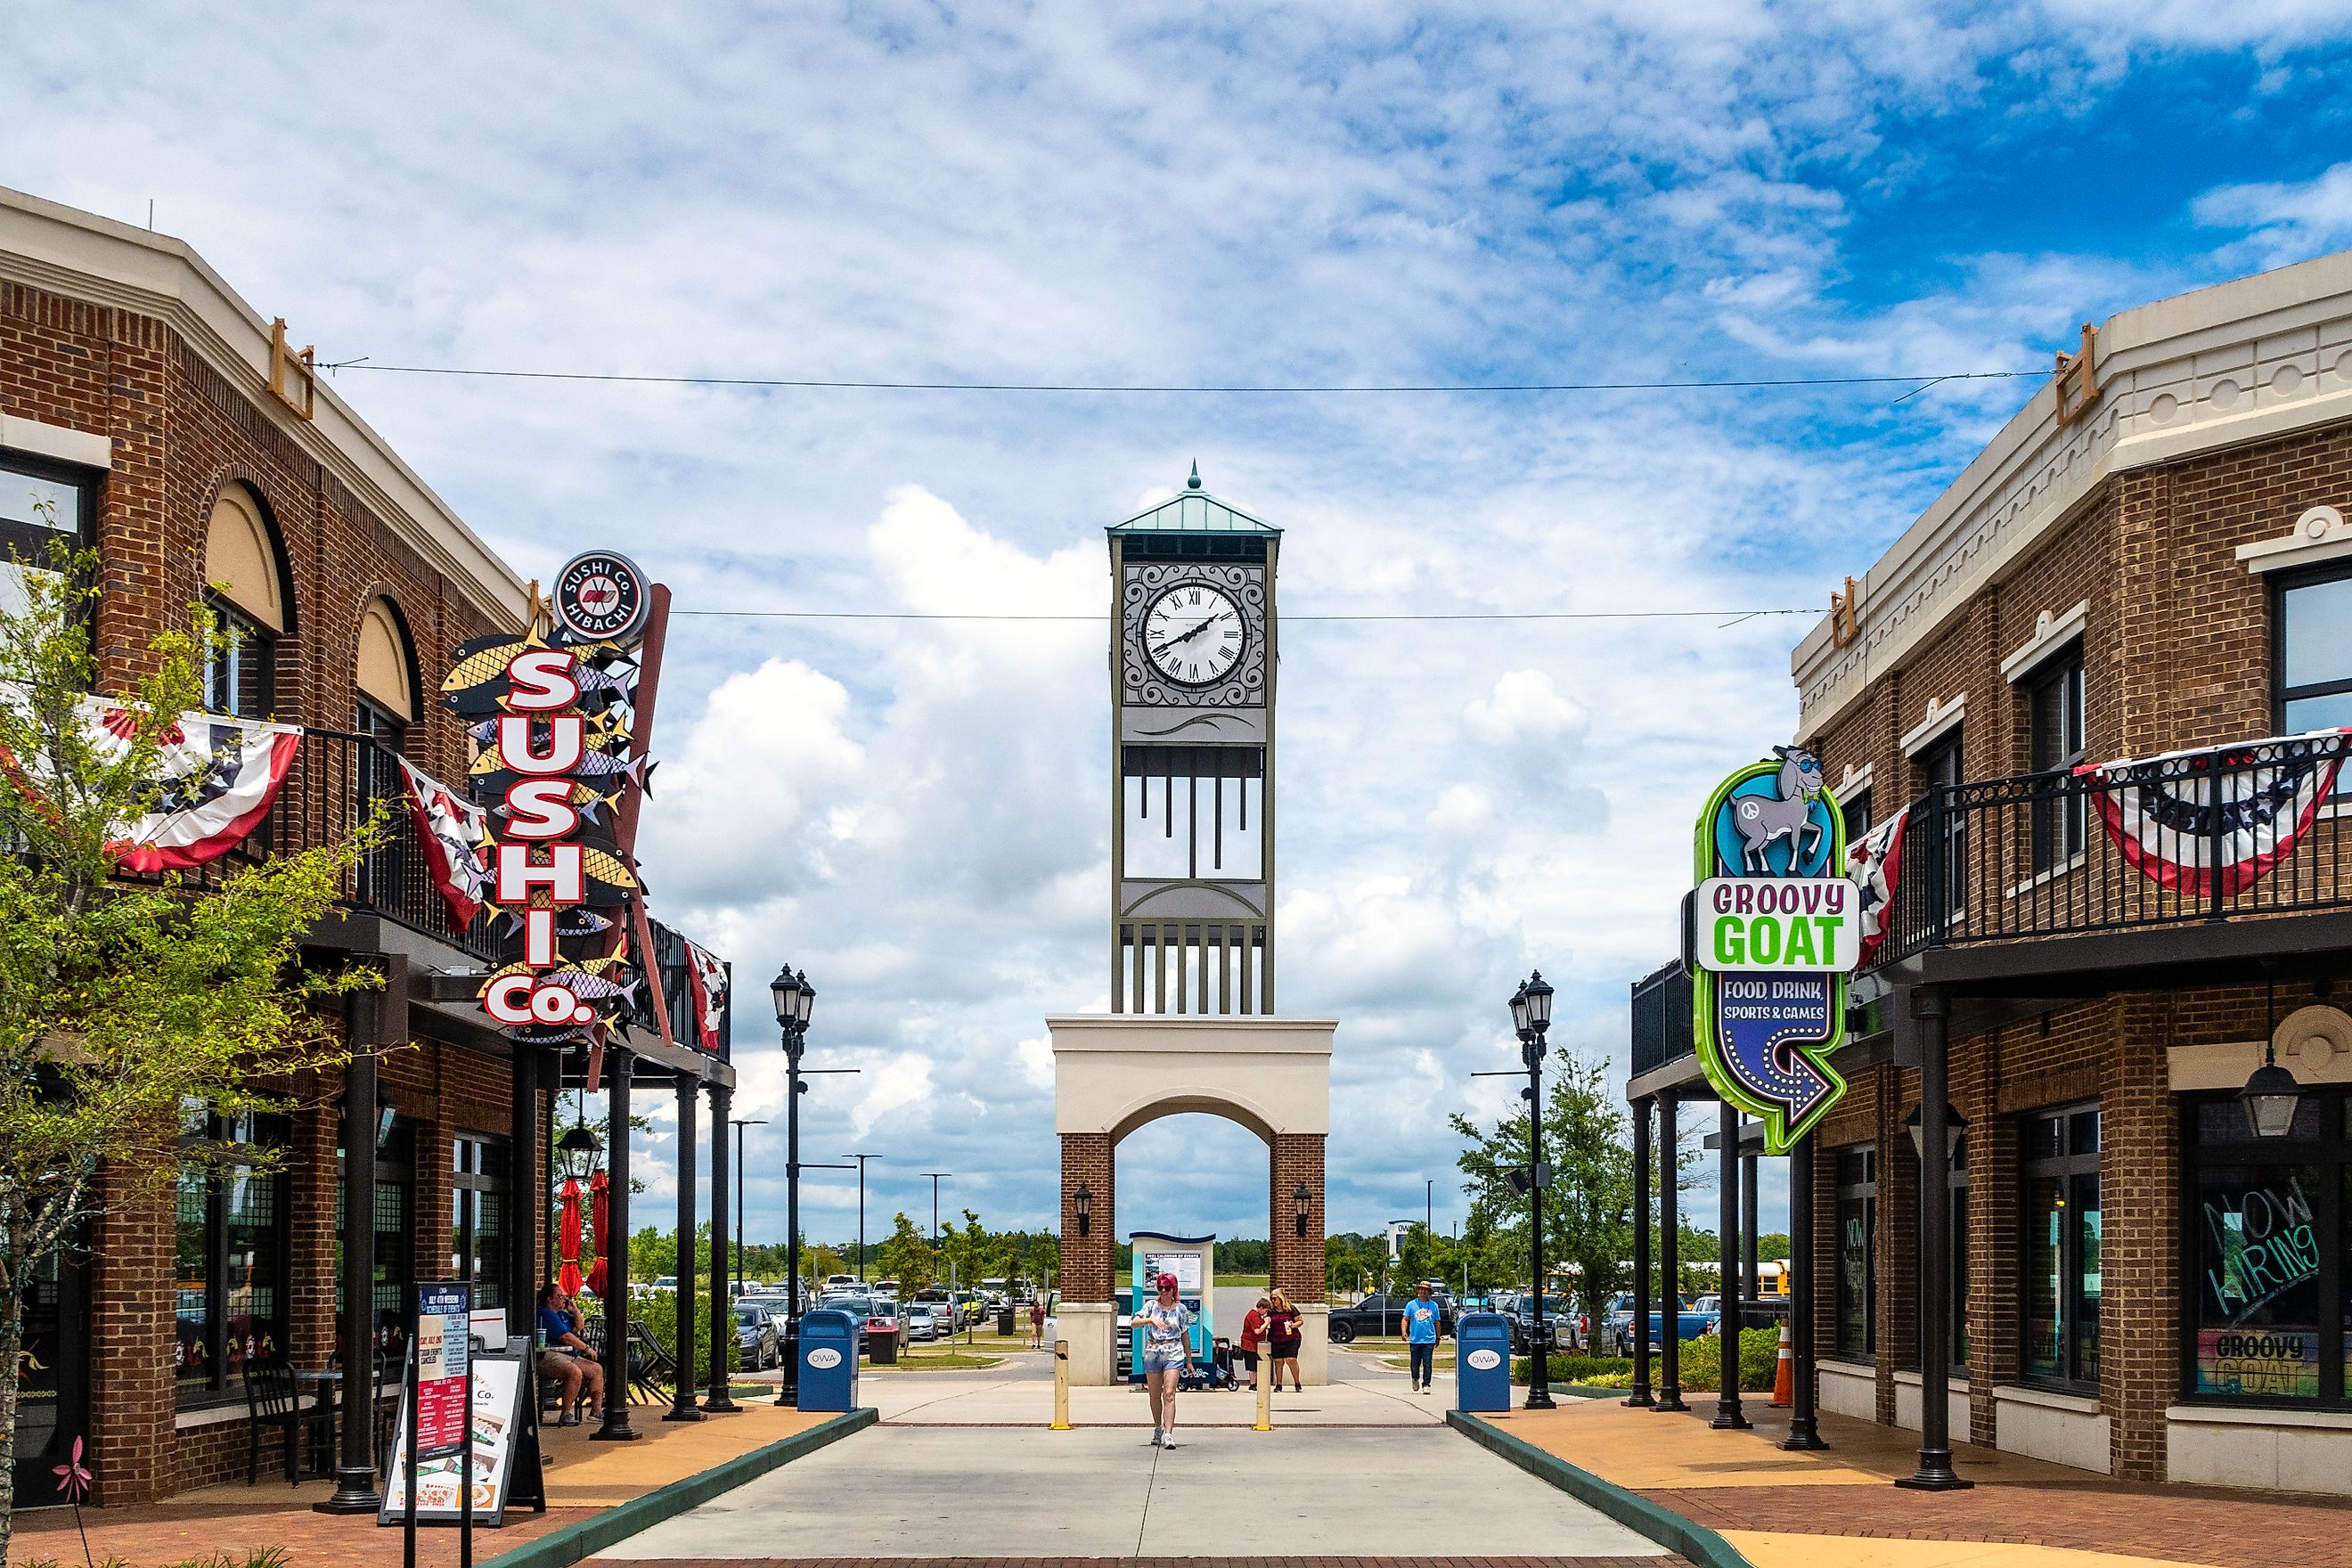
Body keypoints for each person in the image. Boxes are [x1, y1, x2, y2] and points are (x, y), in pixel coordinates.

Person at [1135, 1271, 1194, 1449]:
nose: (1163, 1291)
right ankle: (1157, 1427)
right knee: (1154, 1395)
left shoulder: (1181, 1309)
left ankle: (1169, 1433)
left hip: (1173, 1352)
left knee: (1169, 1393)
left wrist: (1189, 1360)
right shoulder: (1151, 1306)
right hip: (1153, 1352)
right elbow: (1134, 1322)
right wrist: (1149, 1320)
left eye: (1167, 1288)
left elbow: (1185, 1335)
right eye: (1160, 1288)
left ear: (1173, 1288)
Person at [536, 1282, 605, 1426]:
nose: (563, 1299)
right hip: (548, 1354)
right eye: (560, 1296)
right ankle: (566, 1413)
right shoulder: (546, 1313)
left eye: (564, 1296)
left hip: (567, 1354)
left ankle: (596, 1412)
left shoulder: (561, 1314)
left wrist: (575, 1311)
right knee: (574, 1372)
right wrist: (587, 1348)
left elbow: (578, 1327)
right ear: (550, 1299)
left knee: (596, 1369)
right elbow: (565, 1337)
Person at [1401, 1280, 1442, 1394]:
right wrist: (1404, 1331)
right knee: (1415, 1364)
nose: (1423, 1291)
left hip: (1429, 1339)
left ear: (1429, 1292)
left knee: (1427, 1363)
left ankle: (1426, 1384)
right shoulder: (1411, 1305)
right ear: (1418, 1290)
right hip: (1415, 1339)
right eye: (1421, 1289)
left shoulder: (1434, 1306)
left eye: (1426, 1290)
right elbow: (1405, 1319)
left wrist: (1438, 1337)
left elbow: (1437, 1322)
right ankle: (1415, 1378)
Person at [1266, 1288, 1303, 1392]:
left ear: (1280, 1298)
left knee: (1291, 1359)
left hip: (1291, 1338)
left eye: (1274, 1298)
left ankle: (1297, 1382)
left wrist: (1293, 1325)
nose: (1273, 1301)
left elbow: (1300, 1320)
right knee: (1278, 1361)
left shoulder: (1290, 1309)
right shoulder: (1271, 1311)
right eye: (1271, 1299)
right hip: (1275, 1338)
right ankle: (1279, 1384)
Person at [1237, 1296, 1268, 1392]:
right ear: (1261, 1308)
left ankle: (1255, 1384)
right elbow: (1257, 1331)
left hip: (1253, 1344)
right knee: (1253, 1365)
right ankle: (1253, 1384)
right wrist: (1266, 1323)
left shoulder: (1255, 1315)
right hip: (1251, 1344)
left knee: (1255, 1364)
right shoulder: (1254, 1316)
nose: (1266, 1313)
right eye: (1265, 1310)